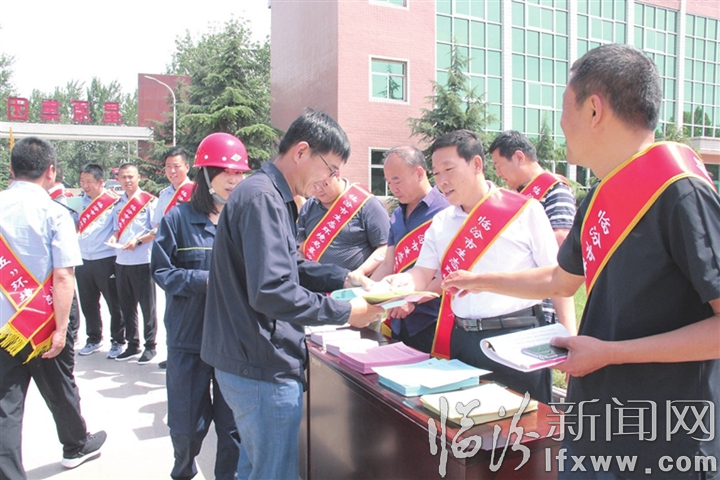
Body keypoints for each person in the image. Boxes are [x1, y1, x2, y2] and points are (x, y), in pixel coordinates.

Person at [442, 44, 720, 480]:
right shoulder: (599, 198)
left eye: (563, 107)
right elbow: (560, 279)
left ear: (594, 109)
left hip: (665, 440)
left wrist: (609, 354)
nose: (560, 122)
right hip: (594, 427)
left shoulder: (681, 192)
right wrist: (478, 280)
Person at [201, 111, 383, 480]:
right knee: (275, 473)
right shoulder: (263, 198)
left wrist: (344, 276)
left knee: (255, 467)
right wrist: (346, 312)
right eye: (330, 168)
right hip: (259, 365)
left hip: (246, 359)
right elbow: (272, 291)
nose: (328, 180)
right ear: (301, 152)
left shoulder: (268, 194)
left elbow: (288, 265)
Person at [385, 130, 561, 404]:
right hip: (464, 340)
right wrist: (402, 283)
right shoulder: (442, 222)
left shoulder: (525, 210)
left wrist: (568, 336)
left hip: (519, 337)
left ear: (476, 164)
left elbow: (558, 279)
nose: (441, 181)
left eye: (449, 169)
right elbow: (422, 273)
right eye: (436, 173)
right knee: (465, 422)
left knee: (524, 424)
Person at [0, 137, 106, 479]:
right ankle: (75, 446)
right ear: (51, 171)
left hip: (3, 324)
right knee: (60, 386)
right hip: (45, 320)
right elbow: (63, 276)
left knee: (5, 406)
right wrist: (61, 330)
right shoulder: (55, 213)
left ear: (11, 169)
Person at [152, 133, 247, 480]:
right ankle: (183, 470)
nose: (234, 181)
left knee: (232, 429)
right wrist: (204, 280)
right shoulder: (177, 220)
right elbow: (162, 272)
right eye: (225, 172)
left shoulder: (244, 220)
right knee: (186, 425)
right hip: (188, 338)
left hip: (232, 342)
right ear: (205, 175)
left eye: (239, 173)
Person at [489, 130, 577, 334]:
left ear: (519, 157)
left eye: (499, 165)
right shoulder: (515, 195)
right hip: (515, 300)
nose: (498, 174)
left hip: (542, 301)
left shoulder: (555, 190)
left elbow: (562, 242)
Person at [369, 145, 450, 353]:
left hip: (433, 320)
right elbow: (388, 263)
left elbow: (449, 271)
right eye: (388, 182)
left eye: (397, 180)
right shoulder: (397, 215)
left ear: (419, 173)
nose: (392, 188)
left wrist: (413, 301)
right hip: (397, 318)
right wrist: (366, 293)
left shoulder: (446, 211)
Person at [297, 162, 389, 277]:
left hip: (355, 284)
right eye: (312, 185)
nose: (318, 190)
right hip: (315, 285)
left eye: (323, 184)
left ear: (336, 174)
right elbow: (300, 249)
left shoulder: (367, 203)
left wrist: (360, 272)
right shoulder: (309, 207)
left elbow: (386, 247)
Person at [109, 163, 158, 364]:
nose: (127, 180)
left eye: (130, 176)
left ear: (138, 177)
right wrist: (114, 237)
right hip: (121, 261)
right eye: (123, 177)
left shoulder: (149, 201)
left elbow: (156, 230)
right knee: (126, 306)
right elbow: (116, 229)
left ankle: (150, 346)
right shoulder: (117, 205)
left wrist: (138, 241)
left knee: (148, 307)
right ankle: (132, 344)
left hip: (142, 260)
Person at [75, 163, 125, 358]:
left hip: (106, 259)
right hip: (83, 260)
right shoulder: (77, 203)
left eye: (89, 181)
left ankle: (118, 340)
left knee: (114, 303)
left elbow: (117, 228)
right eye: (82, 181)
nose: (85, 185)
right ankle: (94, 338)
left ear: (100, 182)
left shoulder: (113, 202)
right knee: (88, 302)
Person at [152, 147, 193, 370]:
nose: (172, 170)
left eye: (176, 166)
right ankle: (173, 352)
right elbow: (157, 225)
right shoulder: (164, 195)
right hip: (169, 257)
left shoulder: (195, 191)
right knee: (171, 310)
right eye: (168, 166)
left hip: (189, 254)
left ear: (187, 167)